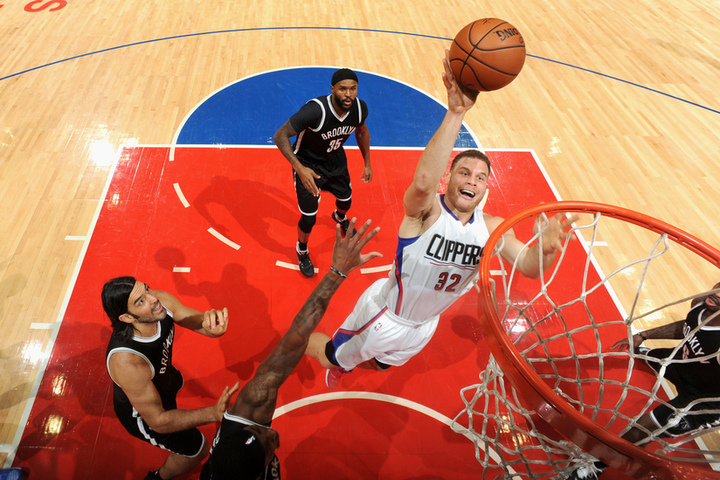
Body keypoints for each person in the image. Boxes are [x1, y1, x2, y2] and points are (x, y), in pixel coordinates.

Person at [304, 51, 578, 390]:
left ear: (486, 188)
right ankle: (297, 343)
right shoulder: (427, 212)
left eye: (480, 177)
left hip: (424, 326)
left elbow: (528, 267)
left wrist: (546, 251)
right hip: (384, 315)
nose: (471, 180)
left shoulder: (491, 227)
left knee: (382, 364)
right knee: (331, 355)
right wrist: (456, 113)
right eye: (464, 172)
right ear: (448, 179)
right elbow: (422, 184)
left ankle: (355, 360)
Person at [199, 218, 381, 480]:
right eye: (268, 445)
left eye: (258, 430)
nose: (271, 434)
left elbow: (295, 337)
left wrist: (337, 272)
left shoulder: (252, 404)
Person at [567, 282, 720, 480]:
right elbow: (687, 327)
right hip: (683, 364)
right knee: (645, 355)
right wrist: (644, 335)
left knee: (643, 428)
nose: (717, 293)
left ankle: (596, 466)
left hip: (703, 400)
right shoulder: (701, 303)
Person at [103, 277, 240, 480]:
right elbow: (158, 421)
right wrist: (213, 413)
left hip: (164, 376)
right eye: (140, 301)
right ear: (127, 318)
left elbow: (191, 319)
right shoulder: (127, 362)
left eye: (147, 289)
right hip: (144, 416)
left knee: (177, 381)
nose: (153, 298)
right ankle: (158, 478)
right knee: (199, 449)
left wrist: (212, 325)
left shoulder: (158, 303)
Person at [273, 68, 373, 278]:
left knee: (346, 201)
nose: (348, 94)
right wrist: (300, 169)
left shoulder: (359, 108)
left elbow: (362, 132)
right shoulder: (315, 111)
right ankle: (302, 249)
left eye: (353, 89)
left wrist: (367, 163)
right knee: (309, 217)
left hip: (335, 161)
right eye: (343, 89)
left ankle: (339, 217)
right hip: (308, 165)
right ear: (332, 89)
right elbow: (280, 135)